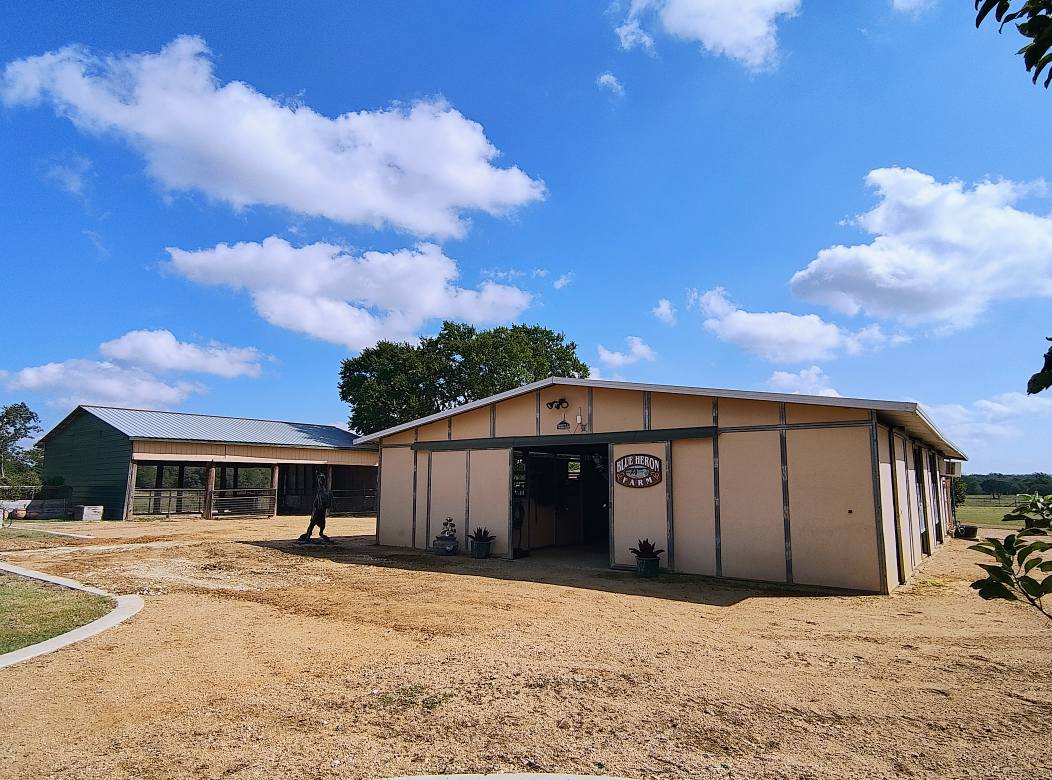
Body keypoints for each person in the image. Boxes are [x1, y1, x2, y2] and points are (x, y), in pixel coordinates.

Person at [299, 472, 334, 543]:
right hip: (320, 512)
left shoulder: (322, 492)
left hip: (319, 512)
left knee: (312, 524)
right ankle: (310, 535)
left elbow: (317, 503)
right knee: (314, 525)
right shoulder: (324, 492)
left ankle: (309, 536)